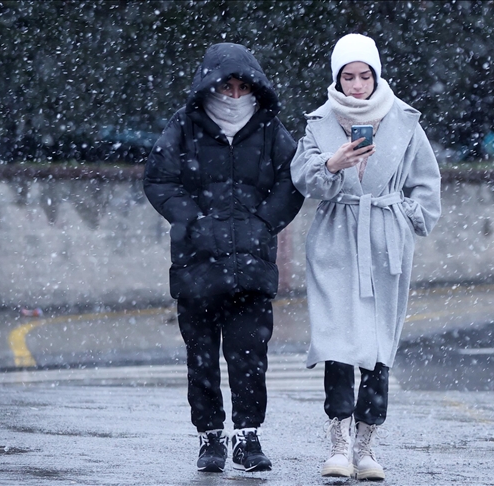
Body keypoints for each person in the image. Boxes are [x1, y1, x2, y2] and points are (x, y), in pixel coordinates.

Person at [143, 43, 304, 473]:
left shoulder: (269, 128)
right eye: (225, 87)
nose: (234, 96)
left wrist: (263, 222)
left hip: (251, 266)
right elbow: (158, 179)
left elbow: (295, 178)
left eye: (241, 87)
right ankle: (210, 438)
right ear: (209, 86)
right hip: (197, 265)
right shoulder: (185, 126)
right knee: (202, 357)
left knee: (250, 355)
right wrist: (194, 221)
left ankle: (248, 438)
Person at [290, 33, 442, 481]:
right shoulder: (318, 123)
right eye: (347, 76)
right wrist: (333, 165)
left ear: (376, 75)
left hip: (386, 240)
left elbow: (426, 182)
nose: (356, 85)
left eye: (364, 75)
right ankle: (337, 443)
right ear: (336, 78)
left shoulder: (406, 122)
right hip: (335, 236)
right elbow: (303, 180)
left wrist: (406, 213)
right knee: (337, 341)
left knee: (378, 346)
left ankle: (366, 447)